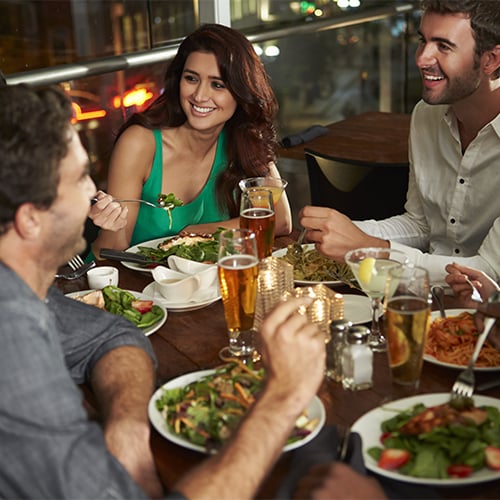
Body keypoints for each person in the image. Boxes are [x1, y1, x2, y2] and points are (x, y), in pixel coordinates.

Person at [0, 84, 324, 498]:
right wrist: (283, 398)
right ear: (29, 220)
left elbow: (113, 335)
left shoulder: (25, 293)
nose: (92, 192)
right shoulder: (13, 349)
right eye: (81, 177)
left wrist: (128, 428)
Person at [299, 0, 500, 284]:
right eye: (423, 40)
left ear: (491, 60)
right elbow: (420, 224)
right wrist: (339, 232)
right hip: (420, 298)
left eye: (444, 46)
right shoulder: (425, 115)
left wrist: (369, 249)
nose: (422, 58)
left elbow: (488, 271)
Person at [92, 23, 292, 258]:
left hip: (204, 285)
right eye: (191, 79)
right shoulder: (139, 143)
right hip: (133, 284)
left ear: (241, 92)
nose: (200, 96)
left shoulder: (244, 140)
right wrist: (110, 225)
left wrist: (195, 233)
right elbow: (110, 252)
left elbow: (280, 221)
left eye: (217, 84)